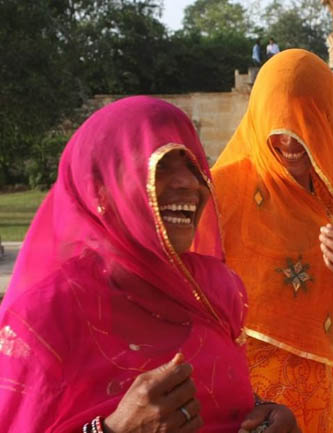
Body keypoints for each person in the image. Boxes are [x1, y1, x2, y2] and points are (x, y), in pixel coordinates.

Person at [0, 96, 300, 433]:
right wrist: (114, 430)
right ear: (100, 191)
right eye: (161, 166)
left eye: (193, 165)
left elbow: (222, 394)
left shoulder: (216, 290)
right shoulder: (45, 317)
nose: (189, 182)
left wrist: (266, 413)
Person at [202, 49, 333, 433]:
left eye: (302, 121)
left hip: (315, 397)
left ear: (325, 118)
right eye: (277, 122)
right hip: (241, 402)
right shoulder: (221, 193)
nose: (289, 140)